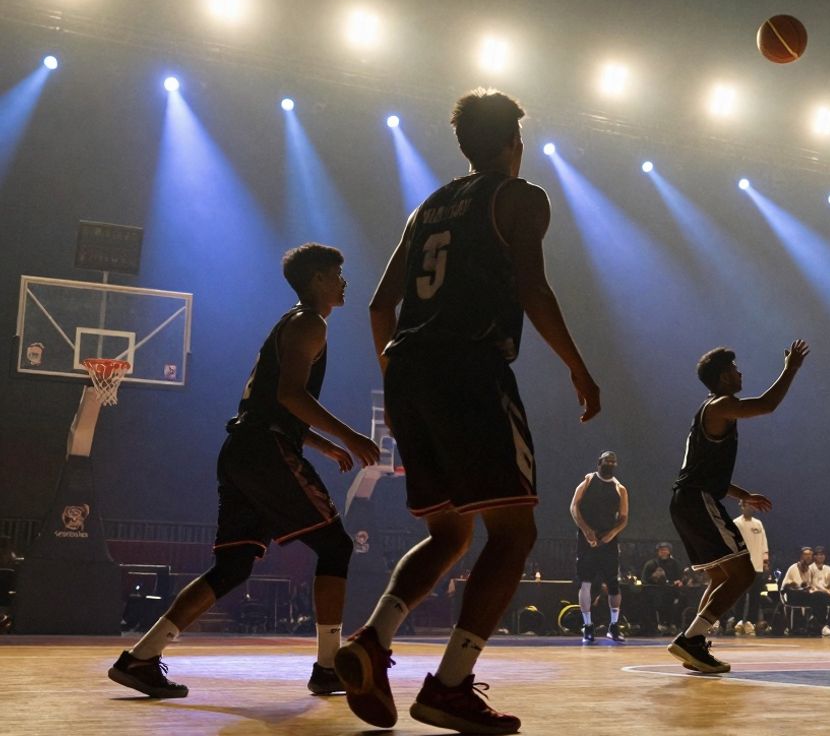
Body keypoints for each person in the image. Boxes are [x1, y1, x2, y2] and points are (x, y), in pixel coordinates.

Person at [338, 89, 600, 733]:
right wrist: (578, 365)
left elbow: (378, 307)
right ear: (516, 140)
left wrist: (398, 382)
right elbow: (533, 287)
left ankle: (373, 638)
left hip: (408, 374)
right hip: (468, 368)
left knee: (450, 533)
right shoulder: (520, 196)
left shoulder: (426, 208)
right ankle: (449, 686)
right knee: (514, 534)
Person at [108, 244, 381, 699]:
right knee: (335, 546)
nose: (343, 281)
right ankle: (328, 667)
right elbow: (292, 398)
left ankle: (140, 657)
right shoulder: (309, 323)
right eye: (336, 273)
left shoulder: (291, 324)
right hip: (263, 450)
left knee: (232, 567)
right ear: (316, 279)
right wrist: (351, 437)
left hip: (244, 448)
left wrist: (324, 445)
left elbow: (272, 404)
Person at [666, 341, 808, 673]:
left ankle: (695, 643)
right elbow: (767, 405)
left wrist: (743, 494)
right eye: (735, 369)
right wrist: (791, 368)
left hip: (688, 499)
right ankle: (691, 640)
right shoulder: (720, 406)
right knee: (744, 574)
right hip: (696, 499)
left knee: (720, 578)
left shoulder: (710, 410)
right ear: (723, 377)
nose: (740, 372)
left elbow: (707, 471)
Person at [569, 451, 629, 643]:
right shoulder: (588, 481)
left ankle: (614, 625)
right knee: (585, 582)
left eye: (613, 462)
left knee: (613, 583)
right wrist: (586, 530)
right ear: (599, 463)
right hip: (587, 539)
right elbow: (574, 507)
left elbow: (624, 517)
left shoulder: (620, 489)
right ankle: (587, 626)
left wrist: (612, 533)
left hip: (608, 540)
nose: (609, 464)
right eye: (606, 461)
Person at [732, 500, 770, 635]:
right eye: (748, 505)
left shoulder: (758, 523)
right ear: (742, 506)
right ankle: (738, 621)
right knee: (740, 595)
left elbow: (763, 542)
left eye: (752, 505)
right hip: (742, 565)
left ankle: (751, 622)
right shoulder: (736, 523)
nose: (751, 507)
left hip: (757, 566)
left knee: (755, 596)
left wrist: (765, 561)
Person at [641, 543, 686, 635]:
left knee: (678, 602)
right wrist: (654, 580)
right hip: (654, 592)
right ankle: (656, 626)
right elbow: (644, 580)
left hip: (672, 592)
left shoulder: (675, 563)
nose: (663, 552)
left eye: (665, 550)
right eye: (661, 550)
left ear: (669, 551)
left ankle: (673, 625)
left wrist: (679, 582)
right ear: (658, 552)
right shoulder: (651, 564)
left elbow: (681, 577)